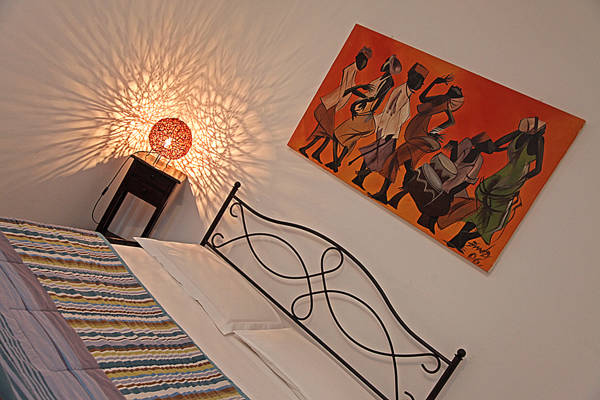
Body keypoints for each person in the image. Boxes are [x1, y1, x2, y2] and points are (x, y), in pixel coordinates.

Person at [446, 117, 546, 252]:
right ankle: (464, 237)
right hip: (513, 179)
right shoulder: (536, 140)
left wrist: (486, 146)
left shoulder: (519, 135)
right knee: (497, 220)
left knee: (483, 208)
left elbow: (496, 145)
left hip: (502, 176)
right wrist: (523, 180)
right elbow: (537, 169)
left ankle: (458, 238)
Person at [369, 76, 464, 204]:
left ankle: (383, 193)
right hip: (417, 130)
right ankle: (398, 197)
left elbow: (451, 121)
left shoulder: (444, 102)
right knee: (409, 167)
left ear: (454, 96)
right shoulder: (441, 98)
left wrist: (434, 131)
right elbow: (422, 98)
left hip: (420, 135)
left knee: (395, 159)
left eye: (458, 90)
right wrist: (434, 83)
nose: (457, 87)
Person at [349, 63, 429, 189]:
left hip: (389, 132)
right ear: (411, 77)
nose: (420, 84)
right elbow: (390, 113)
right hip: (388, 132)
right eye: (419, 80)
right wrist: (387, 134)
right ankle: (361, 176)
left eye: (421, 82)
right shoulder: (401, 92)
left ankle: (360, 177)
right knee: (384, 159)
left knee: (376, 154)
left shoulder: (405, 93)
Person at [325, 55, 402, 173]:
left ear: (388, 65)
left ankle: (336, 162)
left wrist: (359, 103)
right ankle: (337, 162)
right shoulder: (383, 78)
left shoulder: (388, 81)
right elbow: (372, 95)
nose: (384, 63)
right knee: (350, 140)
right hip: (363, 109)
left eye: (386, 61)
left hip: (365, 110)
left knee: (337, 134)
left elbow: (375, 97)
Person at [299, 47, 373, 163]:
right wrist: (361, 87)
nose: (364, 65)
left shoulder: (353, 71)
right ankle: (311, 151)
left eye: (365, 63)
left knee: (324, 132)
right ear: (357, 59)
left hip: (334, 106)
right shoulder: (349, 70)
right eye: (363, 61)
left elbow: (351, 89)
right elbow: (346, 90)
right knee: (328, 133)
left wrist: (364, 96)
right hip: (330, 104)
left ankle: (312, 151)